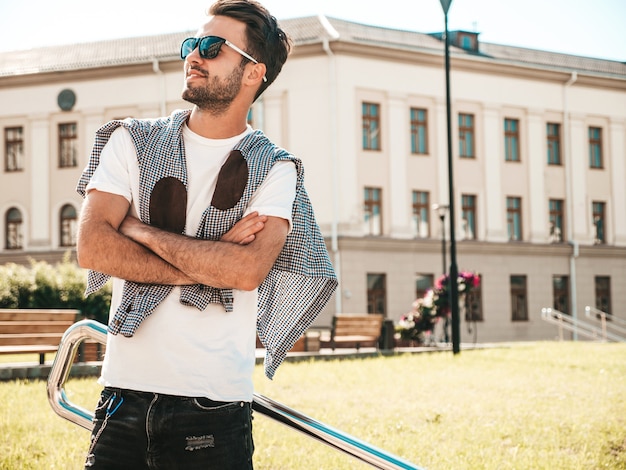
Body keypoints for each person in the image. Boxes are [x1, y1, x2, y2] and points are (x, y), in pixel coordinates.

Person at [75, 1, 337, 468]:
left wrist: (137, 230)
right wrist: (205, 265)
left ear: (253, 73)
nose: (193, 56)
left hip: (213, 409)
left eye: (213, 47)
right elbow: (93, 247)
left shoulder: (276, 169)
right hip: (121, 399)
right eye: (191, 44)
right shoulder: (129, 140)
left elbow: (245, 270)